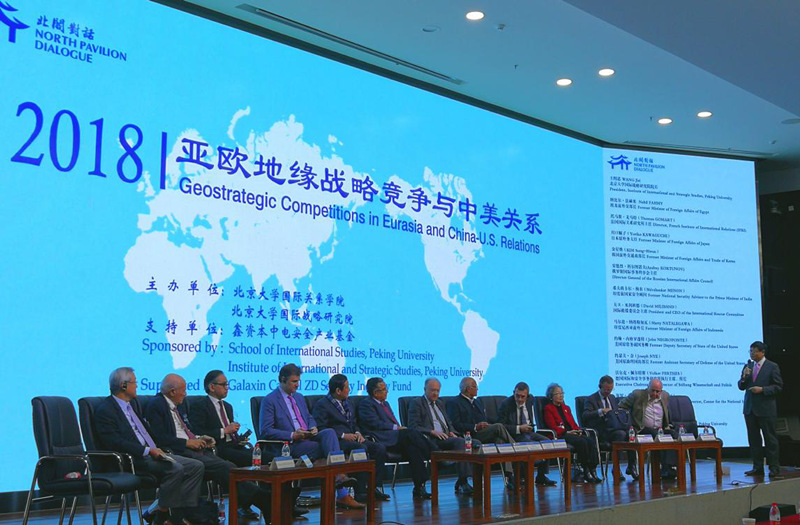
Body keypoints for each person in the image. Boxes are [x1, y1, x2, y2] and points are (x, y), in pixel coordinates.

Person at [145, 373, 271, 519]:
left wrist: (200, 438)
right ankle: (264, 499)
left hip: (194, 448)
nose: (186, 394)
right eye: (183, 390)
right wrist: (187, 443)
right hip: (178, 451)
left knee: (228, 466)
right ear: (172, 391)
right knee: (225, 467)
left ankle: (262, 500)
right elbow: (160, 438)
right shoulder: (157, 405)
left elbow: (188, 431)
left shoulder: (179, 406)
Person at [93, 367, 204, 525]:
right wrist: (147, 450)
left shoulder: (132, 405)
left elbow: (147, 433)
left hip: (154, 453)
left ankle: (176, 516)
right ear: (124, 385)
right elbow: (115, 442)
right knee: (175, 468)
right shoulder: (106, 410)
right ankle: (163, 517)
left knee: (195, 466)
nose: (137, 386)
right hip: (133, 459)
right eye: (134, 382)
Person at [258, 363, 362, 509]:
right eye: (294, 381)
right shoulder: (270, 400)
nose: (297, 385)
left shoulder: (299, 397)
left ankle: (339, 482)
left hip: (308, 437)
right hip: (289, 444)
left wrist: (313, 427)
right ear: (282, 380)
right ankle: (341, 488)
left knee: (329, 433)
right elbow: (266, 430)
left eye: (298, 381)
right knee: (326, 450)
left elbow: (308, 417)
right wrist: (293, 435)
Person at [312, 373, 391, 503]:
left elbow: (354, 423)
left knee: (379, 448)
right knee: (360, 448)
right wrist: (343, 435)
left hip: (353, 437)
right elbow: (321, 427)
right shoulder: (322, 404)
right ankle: (360, 491)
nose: (349, 390)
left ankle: (373, 487)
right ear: (338, 391)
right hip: (337, 441)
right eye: (347, 387)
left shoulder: (348, 402)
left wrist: (358, 432)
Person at [357, 377, 433, 500]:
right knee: (410, 433)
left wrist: (397, 428)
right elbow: (374, 424)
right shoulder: (366, 404)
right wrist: (396, 428)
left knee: (413, 448)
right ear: (375, 393)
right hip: (381, 437)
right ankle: (434, 451)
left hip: (394, 437)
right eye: (384, 389)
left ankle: (419, 487)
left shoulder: (385, 404)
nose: (387, 391)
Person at [407, 378, 478, 495]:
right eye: (432, 390)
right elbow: (413, 426)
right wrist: (432, 431)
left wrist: (452, 432)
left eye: (437, 391)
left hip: (446, 437)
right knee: (461, 443)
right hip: (431, 440)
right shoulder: (417, 403)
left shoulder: (440, 403)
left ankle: (471, 481)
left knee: (475, 443)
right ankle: (463, 482)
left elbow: (448, 422)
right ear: (425, 389)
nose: (435, 393)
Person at [446, 377, 517, 490]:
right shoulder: (454, 402)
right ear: (468, 389)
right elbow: (455, 424)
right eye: (475, 387)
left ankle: (509, 476)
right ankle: (516, 448)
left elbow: (485, 418)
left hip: (483, 432)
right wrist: (475, 427)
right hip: (469, 435)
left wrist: (488, 424)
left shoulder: (478, 402)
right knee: (499, 427)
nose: (477, 389)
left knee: (500, 441)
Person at [496, 382, 557, 486]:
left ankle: (541, 476)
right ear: (513, 393)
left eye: (522, 397)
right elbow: (501, 426)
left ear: (527, 396)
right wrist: (519, 428)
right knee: (529, 444)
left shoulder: (530, 400)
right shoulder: (506, 404)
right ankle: (523, 476)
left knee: (547, 442)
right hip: (514, 434)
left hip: (529, 432)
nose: (519, 399)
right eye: (517, 396)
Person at [739, 341, 783, 477]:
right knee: (754, 440)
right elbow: (741, 386)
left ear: (762, 352)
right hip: (750, 409)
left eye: (754, 351)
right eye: (750, 351)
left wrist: (762, 389)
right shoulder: (748, 366)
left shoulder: (772, 366)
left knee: (770, 440)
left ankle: (774, 468)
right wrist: (744, 378)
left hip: (766, 409)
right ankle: (757, 467)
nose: (752, 353)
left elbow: (778, 386)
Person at [619, 378, 678, 479]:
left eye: (657, 391)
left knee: (673, 435)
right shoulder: (637, 395)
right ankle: (663, 468)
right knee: (656, 435)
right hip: (642, 429)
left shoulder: (665, 395)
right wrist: (629, 422)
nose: (655, 394)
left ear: (661, 391)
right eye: (652, 391)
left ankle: (669, 467)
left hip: (660, 428)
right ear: (648, 388)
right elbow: (621, 407)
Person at [542, 383, 601, 483]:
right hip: (560, 435)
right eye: (558, 393)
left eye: (562, 393)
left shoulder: (566, 408)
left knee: (590, 440)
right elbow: (552, 426)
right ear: (551, 396)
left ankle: (593, 469)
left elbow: (573, 423)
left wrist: (577, 430)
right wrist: (568, 431)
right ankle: (586, 470)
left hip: (572, 433)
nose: (561, 395)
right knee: (582, 442)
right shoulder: (548, 408)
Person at [582, 375, 637, 480]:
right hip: (601, 431)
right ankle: (616, 467)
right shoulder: (591, 399)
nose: (608, 392)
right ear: (600, 387)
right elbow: (585, 416)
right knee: (621, 434)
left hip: (614, 428)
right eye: (606, 389)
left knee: (630, 433)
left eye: (610, 389)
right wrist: (600, 411)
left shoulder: (612, 398)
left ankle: (632, 465)